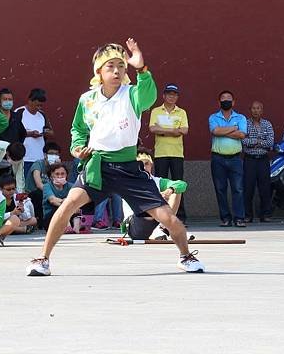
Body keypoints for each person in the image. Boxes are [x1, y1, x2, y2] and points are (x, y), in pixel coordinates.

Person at [26, 38, 204, 276]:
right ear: (99, 71)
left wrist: (142, 69)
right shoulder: (87, 99)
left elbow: (149, 97)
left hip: (129, 169)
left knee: (167, 217)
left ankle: (186, 256)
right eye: (110, 67)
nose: (117, 71)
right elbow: (78, 129)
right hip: (98, 167)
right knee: (68, 204)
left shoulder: (132, 94)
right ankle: (43, 259)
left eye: (121, 66)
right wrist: (78, 148)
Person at [122, 151, 188, 240]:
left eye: (147, 164)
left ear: (151, 165)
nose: (144, 167)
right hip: (135, 225)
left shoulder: (157, 181)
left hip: (157, 219)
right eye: (140, 165)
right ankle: (161, 230)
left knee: (176, 190)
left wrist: (169, 191)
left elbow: (181, 184)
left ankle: (167, 227)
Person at [148, 83, 188, 221]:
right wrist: (173, 131)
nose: (172, 97)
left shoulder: (181, 112)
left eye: (174, 94)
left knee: (178, 185)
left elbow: (184, 131)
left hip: (177, 153)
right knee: (160, 185)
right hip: (160, 153)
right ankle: (160, 216)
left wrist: (163, 130)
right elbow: (153, 129)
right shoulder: (156, 111)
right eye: (169, 94)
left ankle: (180, 216)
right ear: (164, 96)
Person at [209, 90, 247, 227]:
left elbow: (242, 135)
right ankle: (225, 218)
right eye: (223, 99)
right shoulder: (213, 117)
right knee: (220, 189)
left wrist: (222, 131)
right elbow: (215, 131)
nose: (226, 101)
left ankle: (239, 218)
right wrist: (233, 128)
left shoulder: (241, 118)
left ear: (234, 102)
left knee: (238, 189)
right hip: (218, 159)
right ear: (219, 102)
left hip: (235, 159)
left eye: (229, 99)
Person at [241, 101, 274, 223]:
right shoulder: (245, 124)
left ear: (262, 110)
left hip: (263, 160)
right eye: (253, 108)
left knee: (265, 188)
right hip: (249, 159)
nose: (256, 110)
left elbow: (270, 142)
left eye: (258, 108)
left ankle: (265, 214)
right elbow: (243, 141)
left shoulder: (267, 124)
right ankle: (247, 215)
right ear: (250, 110)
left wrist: (254, 142)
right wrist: (259, 142)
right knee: (248, 188)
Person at [18, 88, 54, 177]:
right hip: (24, 157)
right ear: (30, 101)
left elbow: (51, 131)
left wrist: (46, 132)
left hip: (40, 157)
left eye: (41, 106)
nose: (38, 108)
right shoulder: (20, 112)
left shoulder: (42, 115)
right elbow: (14, 133)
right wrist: (30, 134)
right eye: (37, 105)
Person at [24, 142, 61, 221]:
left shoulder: (57, 167)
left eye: (56, 154)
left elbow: (60, 184)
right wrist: (51, 194)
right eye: (51, 154)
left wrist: (57, 168)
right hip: (33, 194)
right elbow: (39, 184)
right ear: (45, 155)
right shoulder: (38, 164)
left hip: (48, 194)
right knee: (39, 194)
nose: (54, 156)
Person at [41, 163, 75, 230]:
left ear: (66, 175)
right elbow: (53, 200)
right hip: (52, 218)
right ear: (51, 176)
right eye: (57, 174)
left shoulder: (71, 186)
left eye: (62, 174)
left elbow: (75, 200)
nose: (60, 176)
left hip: (70, 215)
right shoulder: (47, 186)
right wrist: (65, 201)